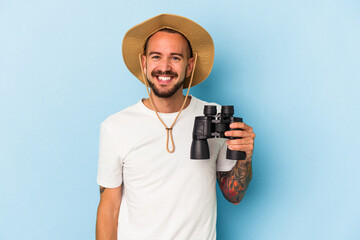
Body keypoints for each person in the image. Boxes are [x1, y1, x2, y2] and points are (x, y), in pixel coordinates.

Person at [96, 14, 255, 240]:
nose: (164, 67)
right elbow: (109, 210)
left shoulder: (214, 117)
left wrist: (245, 157)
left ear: (190, 66)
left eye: (176, 58)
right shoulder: (115, 127)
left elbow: (234, 195)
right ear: (144, 63)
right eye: (156, 56)